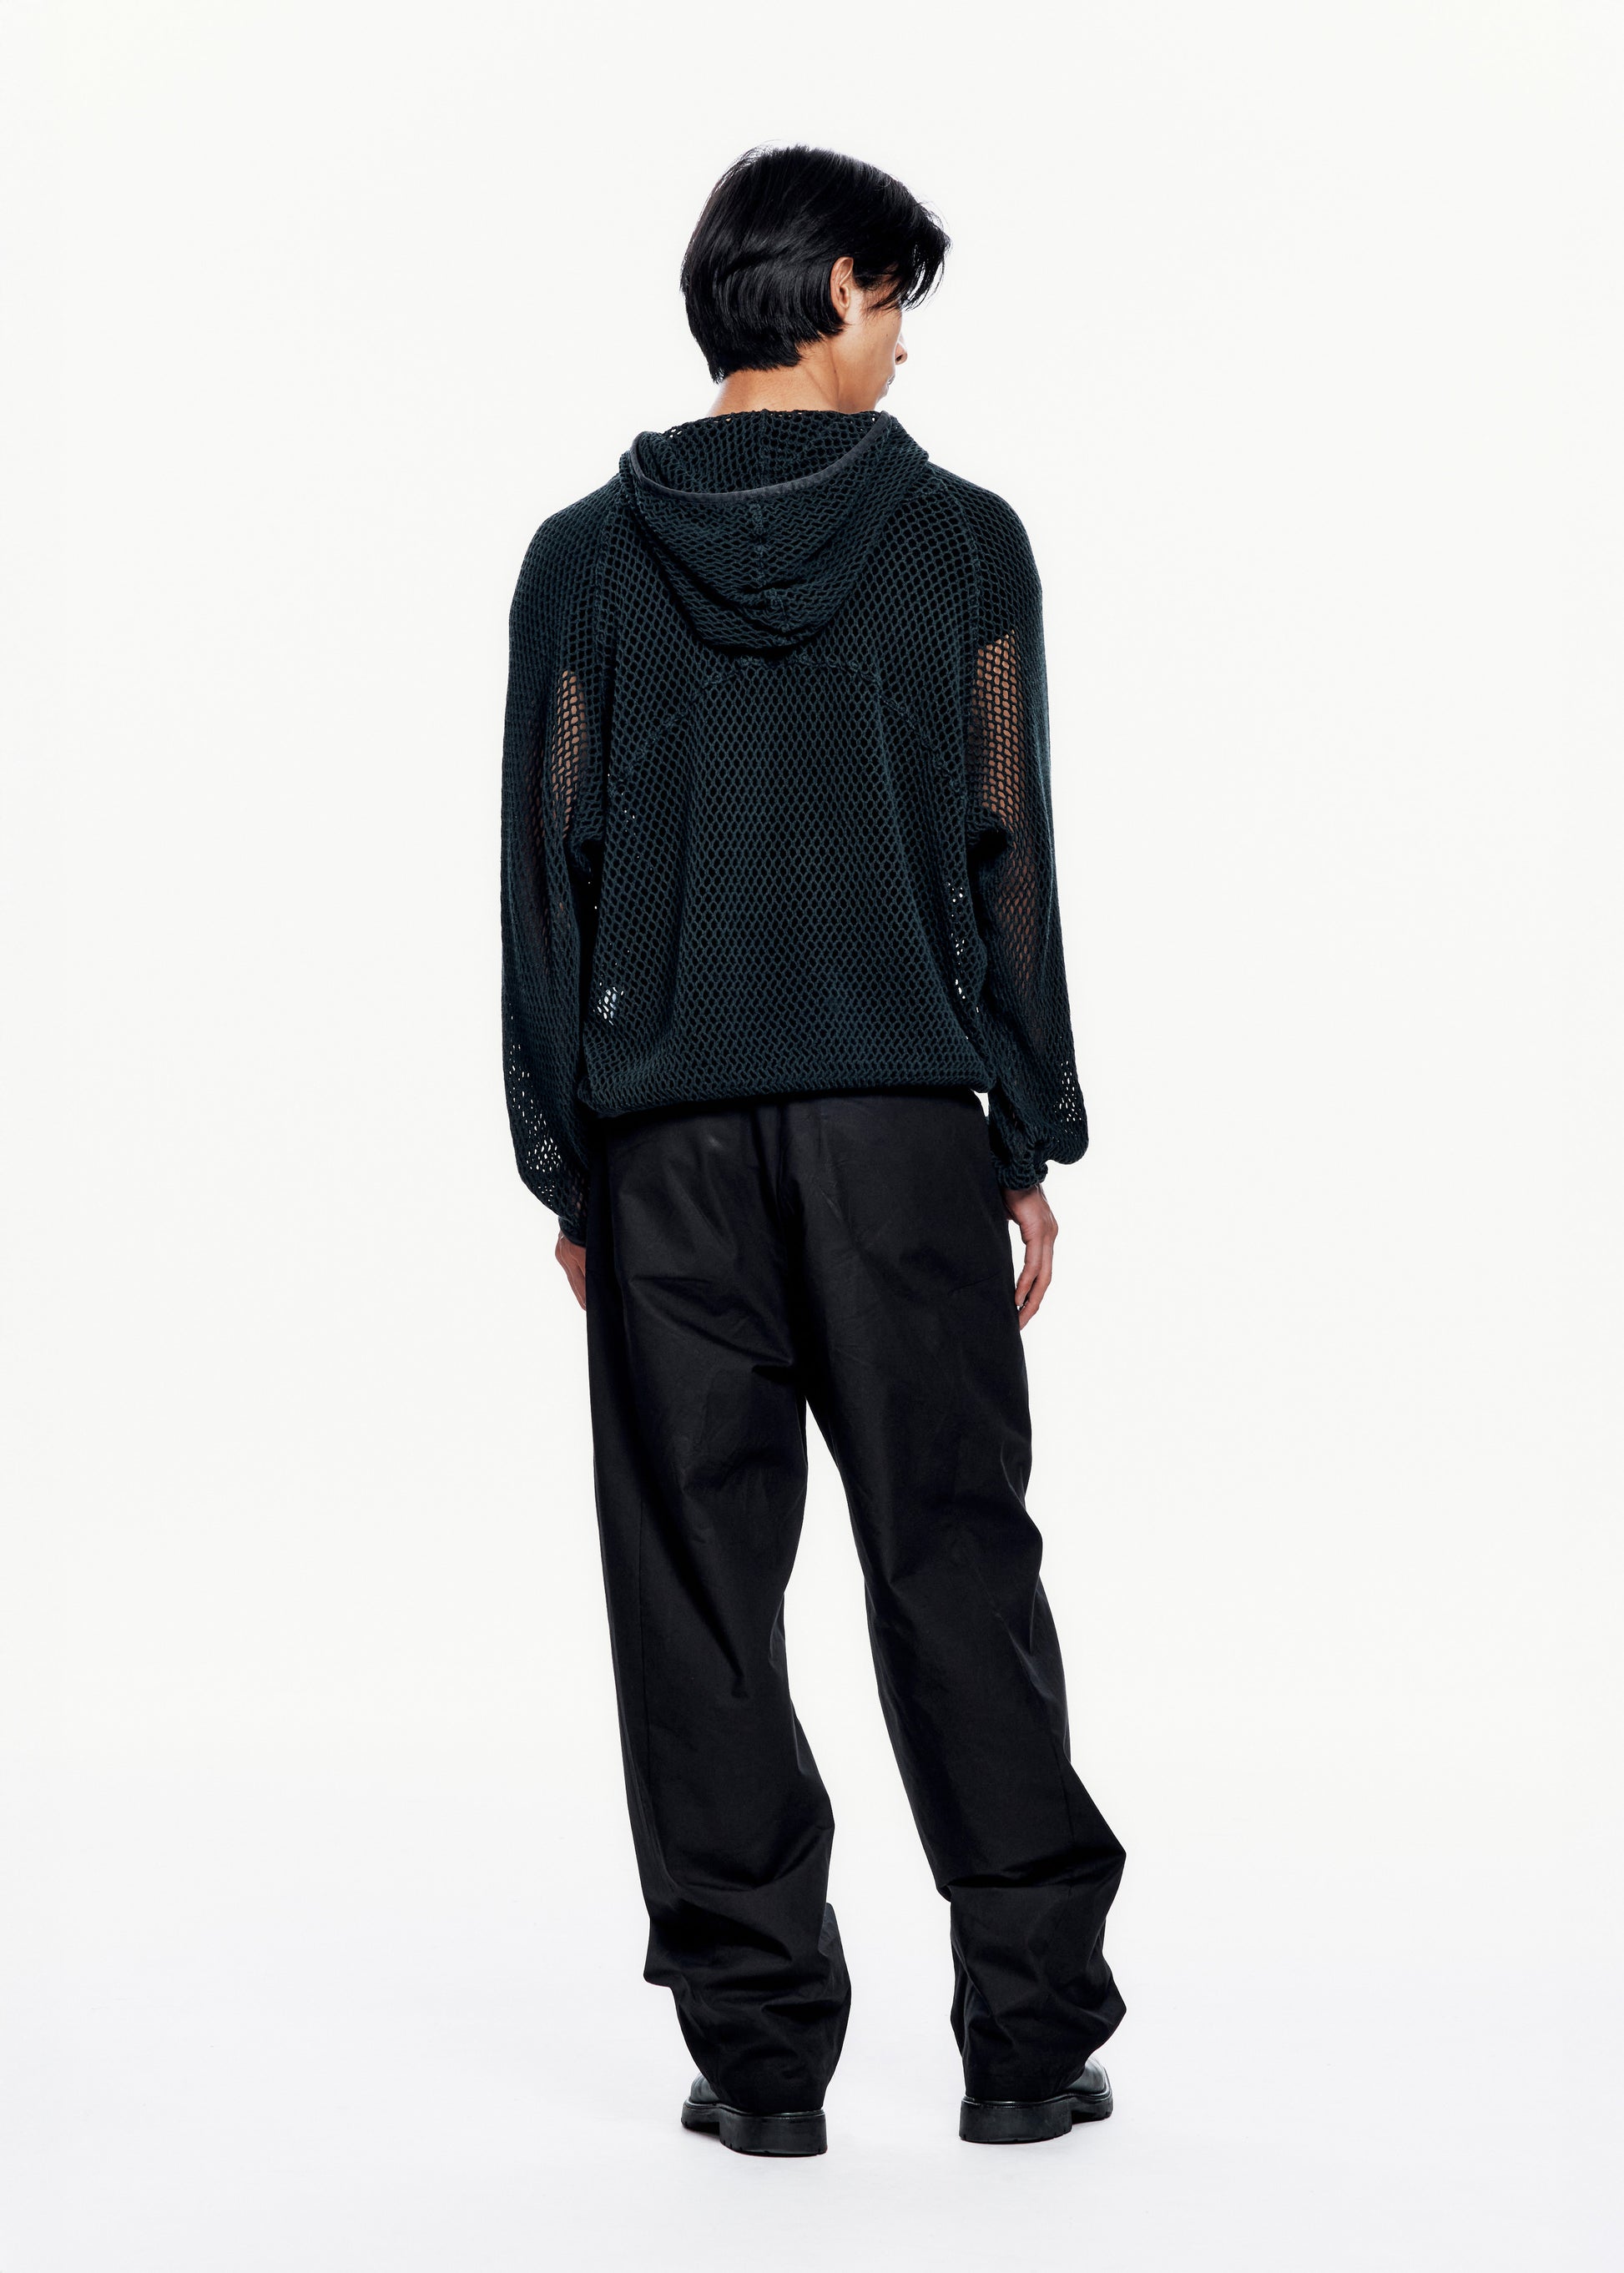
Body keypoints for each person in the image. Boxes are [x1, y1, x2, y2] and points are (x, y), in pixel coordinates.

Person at [500, 143, 1126, 2155]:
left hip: (665, 1155)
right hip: (898, 1139)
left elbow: (547, 877)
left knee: (696, 1599)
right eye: (897, 298)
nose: (905, 341)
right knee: (955, 1565)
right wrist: (1024, 1126)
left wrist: (566, 1159)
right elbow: (1006, 847)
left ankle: (760, 2069)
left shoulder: (583, 564)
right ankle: (1027, 2044)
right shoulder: (961, 546)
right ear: (837, 282)